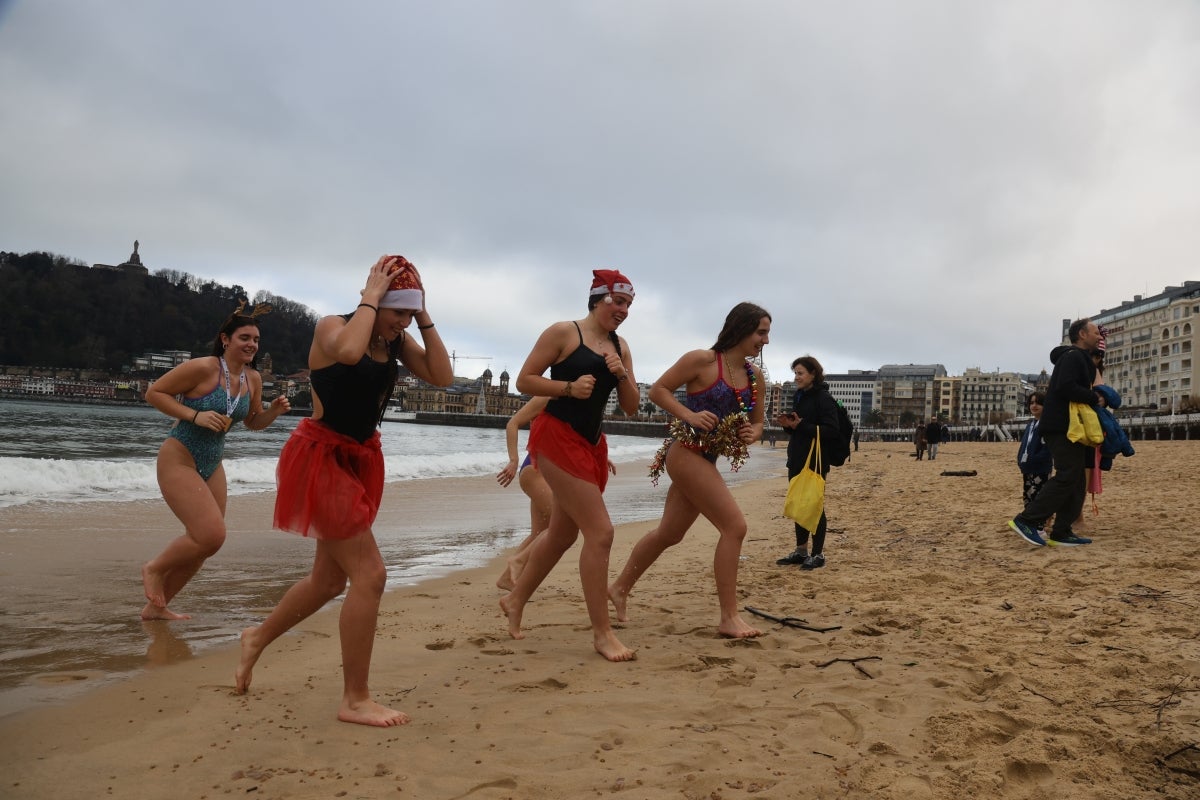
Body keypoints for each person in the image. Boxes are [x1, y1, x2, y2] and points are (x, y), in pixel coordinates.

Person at [235, 255, 453, 727]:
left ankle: (256, 637)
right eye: (399, 313)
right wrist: (370, 301)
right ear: (377, 300)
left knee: (331, 581)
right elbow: (350, 354)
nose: (401, 324)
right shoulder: (333, 327)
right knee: (370, 576)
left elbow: (443, 376)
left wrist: (424, 317)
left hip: (359, 460)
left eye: (409, 315)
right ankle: (355, 698)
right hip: (321, 459)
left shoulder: (396, 341)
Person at [499, 269, 640, 662]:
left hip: (593, 443)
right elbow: (524, 381)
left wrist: (622, 373)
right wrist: (567, 388)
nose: (623, 310)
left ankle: (515, 599)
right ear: (597, 299)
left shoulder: (620, 346)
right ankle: (602, 633)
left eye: (628, 304)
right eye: (617, 301)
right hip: (556, 436)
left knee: (561, 535)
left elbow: (630, 407)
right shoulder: (563, 333)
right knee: (601, 533)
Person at [608, 302, 770, 639]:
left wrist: (751, 434)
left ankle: (619, 587)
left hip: (708, 459)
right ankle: (729, 617)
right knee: (734, 527)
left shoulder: (755, 378)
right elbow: (658, 390)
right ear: (741, 328)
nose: (765, 340)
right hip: (685, 453)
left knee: (670, 533)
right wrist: (689, 415)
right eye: (761, 332)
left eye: (767, 333)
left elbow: (758, 425)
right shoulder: (702, 360)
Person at [140, 303, 291, 621]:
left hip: (212, 463)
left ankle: (157, 607)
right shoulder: (204, 368)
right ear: (226, 339)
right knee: (211, 535)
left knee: (205, 544)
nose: (252, 344)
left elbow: (252, 421)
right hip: (180, 456)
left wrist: (274, 412)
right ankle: (154, 569)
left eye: (256, 339)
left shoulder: (253, 379)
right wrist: (195, 414)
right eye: (244, 337)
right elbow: (155, 393)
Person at [1008, 318, 1103, 548]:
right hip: (1061, 426)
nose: (1099, 336)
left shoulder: (1078, 358)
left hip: (1068, 426)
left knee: (1077, 479)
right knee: (1067, 474)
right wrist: (1094, 397)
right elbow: (1064, 387)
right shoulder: (1072, 357)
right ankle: (1027, 520)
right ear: (1082, 334)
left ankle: (1061, 530)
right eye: (1095, 332)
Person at [775, 356, 841, 570]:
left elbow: (832, 430)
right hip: (797, 457)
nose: (796, 377)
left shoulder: (823, 398)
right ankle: (801, 551)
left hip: (816, 460)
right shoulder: (799, 396)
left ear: (813, 374)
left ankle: (818, 554)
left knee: (814, 505)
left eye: (800, 373)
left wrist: (802, 425)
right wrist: (788, 425)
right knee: (798, 504)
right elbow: (800, 427)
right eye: (795, 373)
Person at [494, 397, 553, 591]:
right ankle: (516, 566)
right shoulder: (546, 396)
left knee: (539, 533)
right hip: (535, 472)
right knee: (560, 524)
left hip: (549, 474)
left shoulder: (573, 399)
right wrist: (513, 459)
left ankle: (507, 578)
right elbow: (513, 423)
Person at [1017, 392, 1052, 507]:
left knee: (1041, 496)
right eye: (1031, 403)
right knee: (1028, 495)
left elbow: (1048, 448)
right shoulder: (1030, 424)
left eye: (1038, 403)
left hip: (1041, 468)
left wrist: (1036, 458)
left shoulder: (1047, 424)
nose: (1034, 405)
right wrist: (1020, 459)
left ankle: (1042, 519)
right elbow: (1024, 444)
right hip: (1027, 467)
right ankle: (1029, 518)